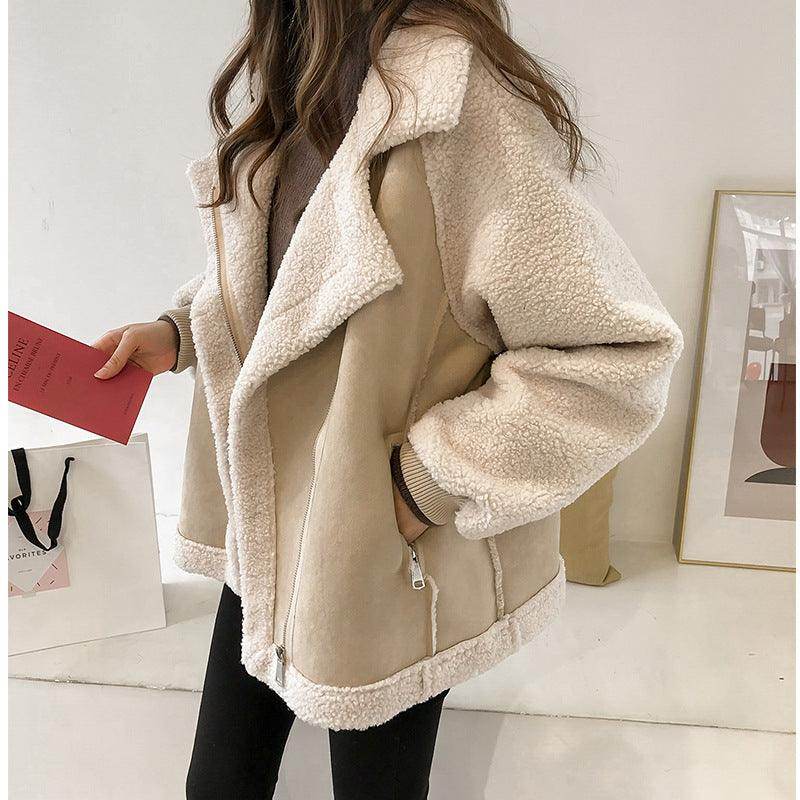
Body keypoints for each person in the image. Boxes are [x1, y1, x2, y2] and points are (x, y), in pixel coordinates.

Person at [93, 1, 683, 797]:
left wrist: (423, 485)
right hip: (271, 528)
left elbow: (618, 355)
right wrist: (181, 333)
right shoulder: (307, 68)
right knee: (219, 785)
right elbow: (303, 278)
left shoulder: (460, 103)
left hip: (380, 554)